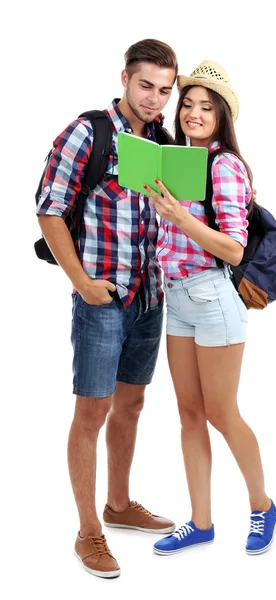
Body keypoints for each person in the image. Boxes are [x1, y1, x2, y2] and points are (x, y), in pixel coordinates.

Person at [36, 39, 178, 579]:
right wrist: (82, 282)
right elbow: (49, 210)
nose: (155, 99)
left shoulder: (163, 140)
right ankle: (89, 531)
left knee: (132, 405)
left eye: (165, 90)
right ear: (124, 78)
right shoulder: (87, 133)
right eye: (146, 86)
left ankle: (119, 506)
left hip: (149, 297)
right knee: (90, 414)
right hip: (102, 299)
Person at [143, 60, 276, 556]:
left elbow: (234, 250)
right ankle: (201, 522)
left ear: (221, 117)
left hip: (213, 297)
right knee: (188, 414)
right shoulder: (174, 160)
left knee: (222, 413)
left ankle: (263, 506)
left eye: (206, 107)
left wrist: (178, 215)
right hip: (176, 296)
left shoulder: (223, 165)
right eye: (189, 105)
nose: (194, 114)